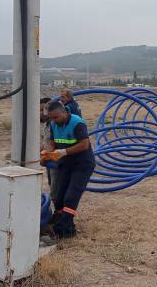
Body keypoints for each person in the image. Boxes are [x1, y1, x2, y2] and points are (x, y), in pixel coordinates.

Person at [42, 100, 95, 238]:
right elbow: (52, 142)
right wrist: (48, 154)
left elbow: (84, 144)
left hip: (82, 164)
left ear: (64, 112)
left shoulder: (77, 122)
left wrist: (63, 152)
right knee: (59, 197)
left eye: (56, 117)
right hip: (66, 164)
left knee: (71, 197)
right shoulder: (54, 124)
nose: (54, 121)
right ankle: (63, 223)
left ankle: (63, 229)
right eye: (51, 118)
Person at [39, 97, 59, 206]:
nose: (41, 113)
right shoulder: (48, 124)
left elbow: (53, 144)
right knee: (52, 186)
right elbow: (46, 142)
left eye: (43, 110)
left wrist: (44, 157)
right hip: (50, 160)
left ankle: (60, 214)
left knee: (56, 190)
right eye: (39, 110)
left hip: (56, 161)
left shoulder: (55, 124)